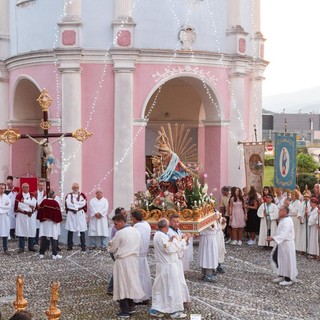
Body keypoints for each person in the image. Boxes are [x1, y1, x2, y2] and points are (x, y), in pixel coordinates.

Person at [108, 214, 144, 318]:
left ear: (121, 222)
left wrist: (110, 247)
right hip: (133, 260)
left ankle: (124, 311)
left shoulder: (120, 233)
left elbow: (112, 248)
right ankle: (131, 306)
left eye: (115, 224)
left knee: (122, 284)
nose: (115, 226)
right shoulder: (136, 231)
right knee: (130, 282)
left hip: (123, 261)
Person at [149, 218, 187, 319]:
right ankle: (174, 311)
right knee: (172, 288)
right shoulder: (160, 236)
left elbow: (167, 245)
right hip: (168, 266)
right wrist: (182, 240)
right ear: (165, 227)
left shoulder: (159, 235)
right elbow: (170, 249)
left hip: (164, 266)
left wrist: (171, 240)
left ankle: (156, 309)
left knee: (161, 288)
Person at [267, 205, 298, 286]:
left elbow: (284, 234)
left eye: (280, 211)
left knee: (287, 261)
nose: (278, 212)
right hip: (282, 243)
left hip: (287, 244)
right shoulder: (284, 219)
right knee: (278, 258)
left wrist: (273, 238)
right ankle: (281, 274)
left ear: (285, 212)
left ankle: (288, 279)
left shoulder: (287, 221)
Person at [167, 213, 191, 310]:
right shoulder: (169, 232)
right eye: (174, 222)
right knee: (175, 281)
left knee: (181, 280)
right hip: (173, 259)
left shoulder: (178, 230)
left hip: (178, 260)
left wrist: (186, 239)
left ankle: (184, 299)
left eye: (178, 222)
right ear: (170, 221)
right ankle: (176, 301)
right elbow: (175, 246)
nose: (176, 224)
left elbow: (182, 244)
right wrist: (184, 240)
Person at [131, 210, 152, 305]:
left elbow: (134, 240)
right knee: (145, 275)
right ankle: (146, 296)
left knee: (138, 276)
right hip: (143, 254)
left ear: (135, 218)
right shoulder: (147, 224)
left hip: (137, 253)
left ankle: (138, 298)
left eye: (132, 218)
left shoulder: (136, 227)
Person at [107, 207, 128, 295]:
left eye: (125, 213)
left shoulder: (122, 227)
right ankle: (111, 287)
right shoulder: (117, 228)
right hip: (116, 250)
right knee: (117, 269)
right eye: (123, 213)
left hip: (119, 250)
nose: (125, 215)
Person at [37, 189, 63, 260]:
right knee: (54, 238)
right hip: (52, 223)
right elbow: (58, 214)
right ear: (53, 196)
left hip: (44, 223)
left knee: (44, 237)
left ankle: (41, 253)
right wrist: (58, 221)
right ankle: (54, 254)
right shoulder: (55, 203)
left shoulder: (43, 202)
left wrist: (42, 218)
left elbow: (40, 211)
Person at [14, 183, 37, 253]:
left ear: (29, 188)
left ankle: (31, 246)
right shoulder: (18, 196)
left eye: (27, 187)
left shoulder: (32, 195)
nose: (26, 189)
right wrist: (29, 204)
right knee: (22, 231)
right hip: (22, 215)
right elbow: (18, 206)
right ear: (22, 188)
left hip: (30, 215)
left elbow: (34, 204)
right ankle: (21, 247)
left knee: (31, 230)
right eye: (24, 187)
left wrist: (24, 202)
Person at [65, 183, 87, 251]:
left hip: (80, 214)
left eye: (77, 187)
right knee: (70, 230)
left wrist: (74, 205)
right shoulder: (69, 195)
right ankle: (69, 245)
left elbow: (83, 203)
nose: (76, 189)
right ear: (72, 188)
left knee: (82, 229)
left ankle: (83, 245)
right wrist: (77, 205)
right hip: (71, 214)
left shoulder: (82, 195)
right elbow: (68, 204)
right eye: (74, 187)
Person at [198, 217, 219, 282]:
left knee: (210, 256)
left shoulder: (211, 216)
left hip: (210, 239)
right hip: (205, 238)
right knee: (204, 256)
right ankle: (205, 273)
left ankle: (209, 274)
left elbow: (214, 227)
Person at [5, 175, 19, 240]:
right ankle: (11, 234)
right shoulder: (5, 192)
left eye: (10, 184)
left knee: (17, 221)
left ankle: (18, 235)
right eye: (8, 184)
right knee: (10, 222)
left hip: (16, 208)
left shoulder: (17, 190)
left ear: (12, 182)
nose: (9, 185)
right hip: (9, 209)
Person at [0, 183, 11, 255]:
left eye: (4, 188)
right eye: (1, 188)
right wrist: (3, 206)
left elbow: (8, 207)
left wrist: (1, 208)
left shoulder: (6, 197)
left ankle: (5, 248)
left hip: (4, 217)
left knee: (4, 232)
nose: (2, 190)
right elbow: (5, 206)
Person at [34, 180, 46, 245]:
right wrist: (37, 206)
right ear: (38, 186)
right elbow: (33, 201)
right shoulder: (35, 193)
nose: (41, 187)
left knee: (43, 225)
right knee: (36, 226)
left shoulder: (46, 194)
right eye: (40, 185)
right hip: (36, 211)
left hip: (43, 212)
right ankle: (36, 240)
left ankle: (43, 240)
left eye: (42, 185)